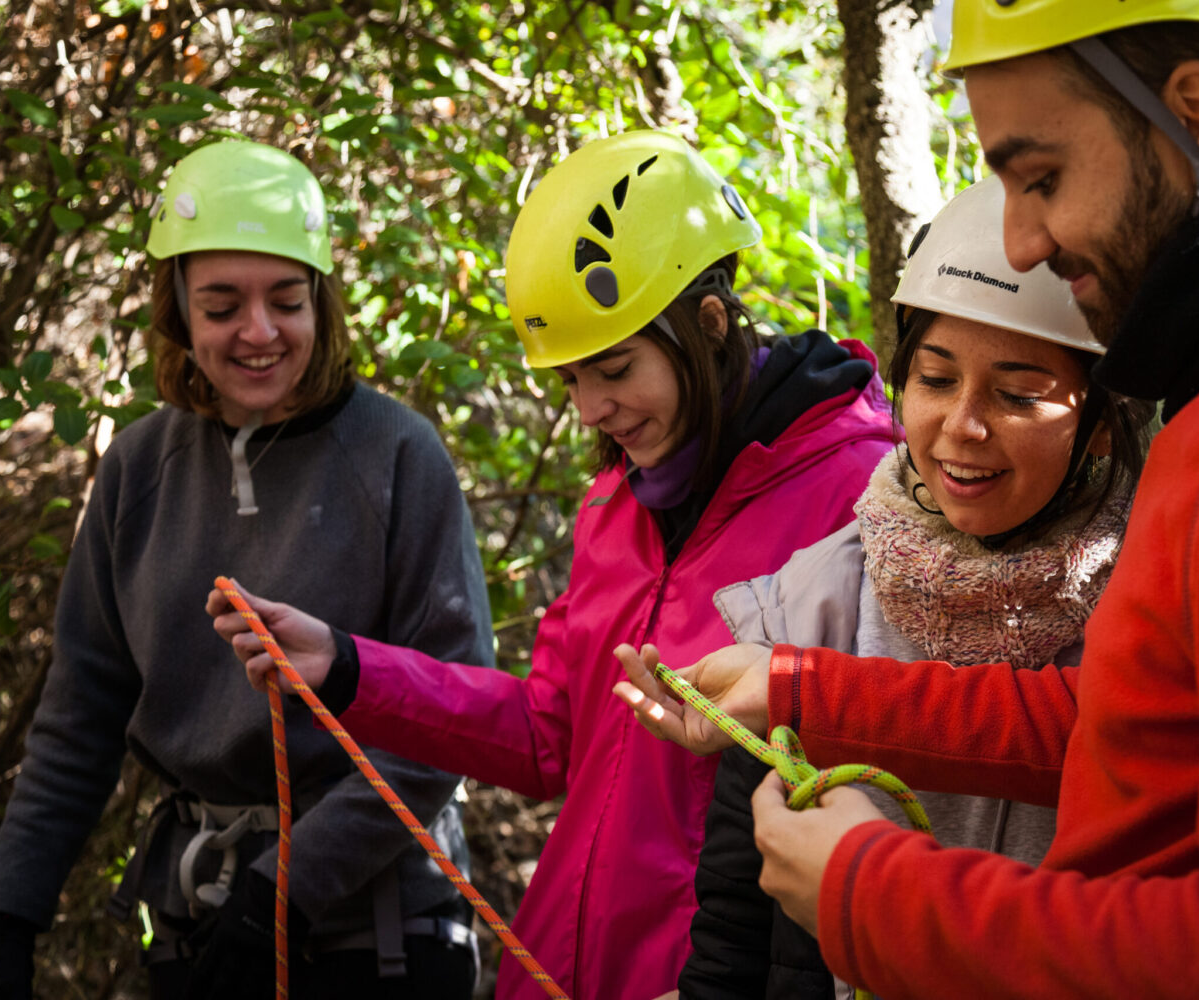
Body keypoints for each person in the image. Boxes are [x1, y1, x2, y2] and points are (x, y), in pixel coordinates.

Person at [616, 2, 1199, 997]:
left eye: (1043, 178)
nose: (1021, 242)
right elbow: (1128, 722)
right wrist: (805, 687)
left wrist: (871, 890)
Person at [205, 129, 898, 1000]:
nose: (591, 412)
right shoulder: (617, 504)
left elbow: (883, 784)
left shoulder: (857, 498)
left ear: (709, 325)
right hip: (558, 968)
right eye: (570, 381)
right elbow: (551, 738)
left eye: (613, 369)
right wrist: (347, 668)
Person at [0, 140, 492, 1000]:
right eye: (222, 305)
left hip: (381, 928)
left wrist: (284, 891)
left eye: (286, 301)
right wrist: (11, 920)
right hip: (199, 921)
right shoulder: (140, 473)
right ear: (178, 311)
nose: (258, 332)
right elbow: (80, 719)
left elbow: (451, 712)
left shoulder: (398, 456)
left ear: (321, 304)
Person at [671, 175, 1153, 1000]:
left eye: (1017, 394)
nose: (961, 425)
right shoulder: (814, 605)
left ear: (1101, 418)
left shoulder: (1149, 615)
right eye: (934, 379)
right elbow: (734, 932)